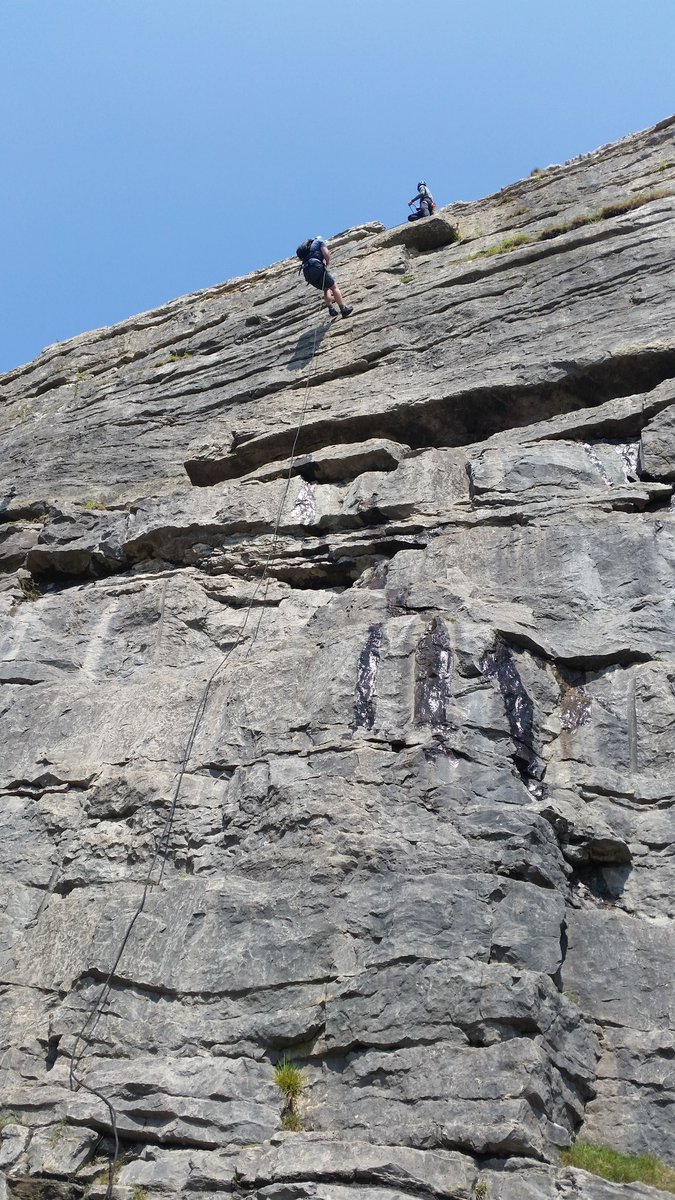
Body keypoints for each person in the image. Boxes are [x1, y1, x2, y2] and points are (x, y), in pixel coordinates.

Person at [297, 237, 353, 318]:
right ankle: (343, 308)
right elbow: (326, 254)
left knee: (326, 288)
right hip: (316, 266)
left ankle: (331, 309)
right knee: (334, 287)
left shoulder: (306, 248)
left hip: (307, 272)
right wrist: (327, 263)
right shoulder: (320, 241)